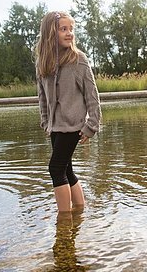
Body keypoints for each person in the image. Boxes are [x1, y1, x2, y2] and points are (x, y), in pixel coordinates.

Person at [34, 11, 101, 213]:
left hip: (73, 124)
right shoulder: (42, 62)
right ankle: (79, 210)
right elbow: (42, 96)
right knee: (66, 170)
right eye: (63, 29)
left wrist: (92, 125)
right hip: (55, 126)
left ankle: (64, 220)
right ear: (50, 33)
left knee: (55, 168)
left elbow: (92, 95)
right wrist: (46, 122)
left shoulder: (78, 60)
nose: (69, 33)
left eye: (71, 29)